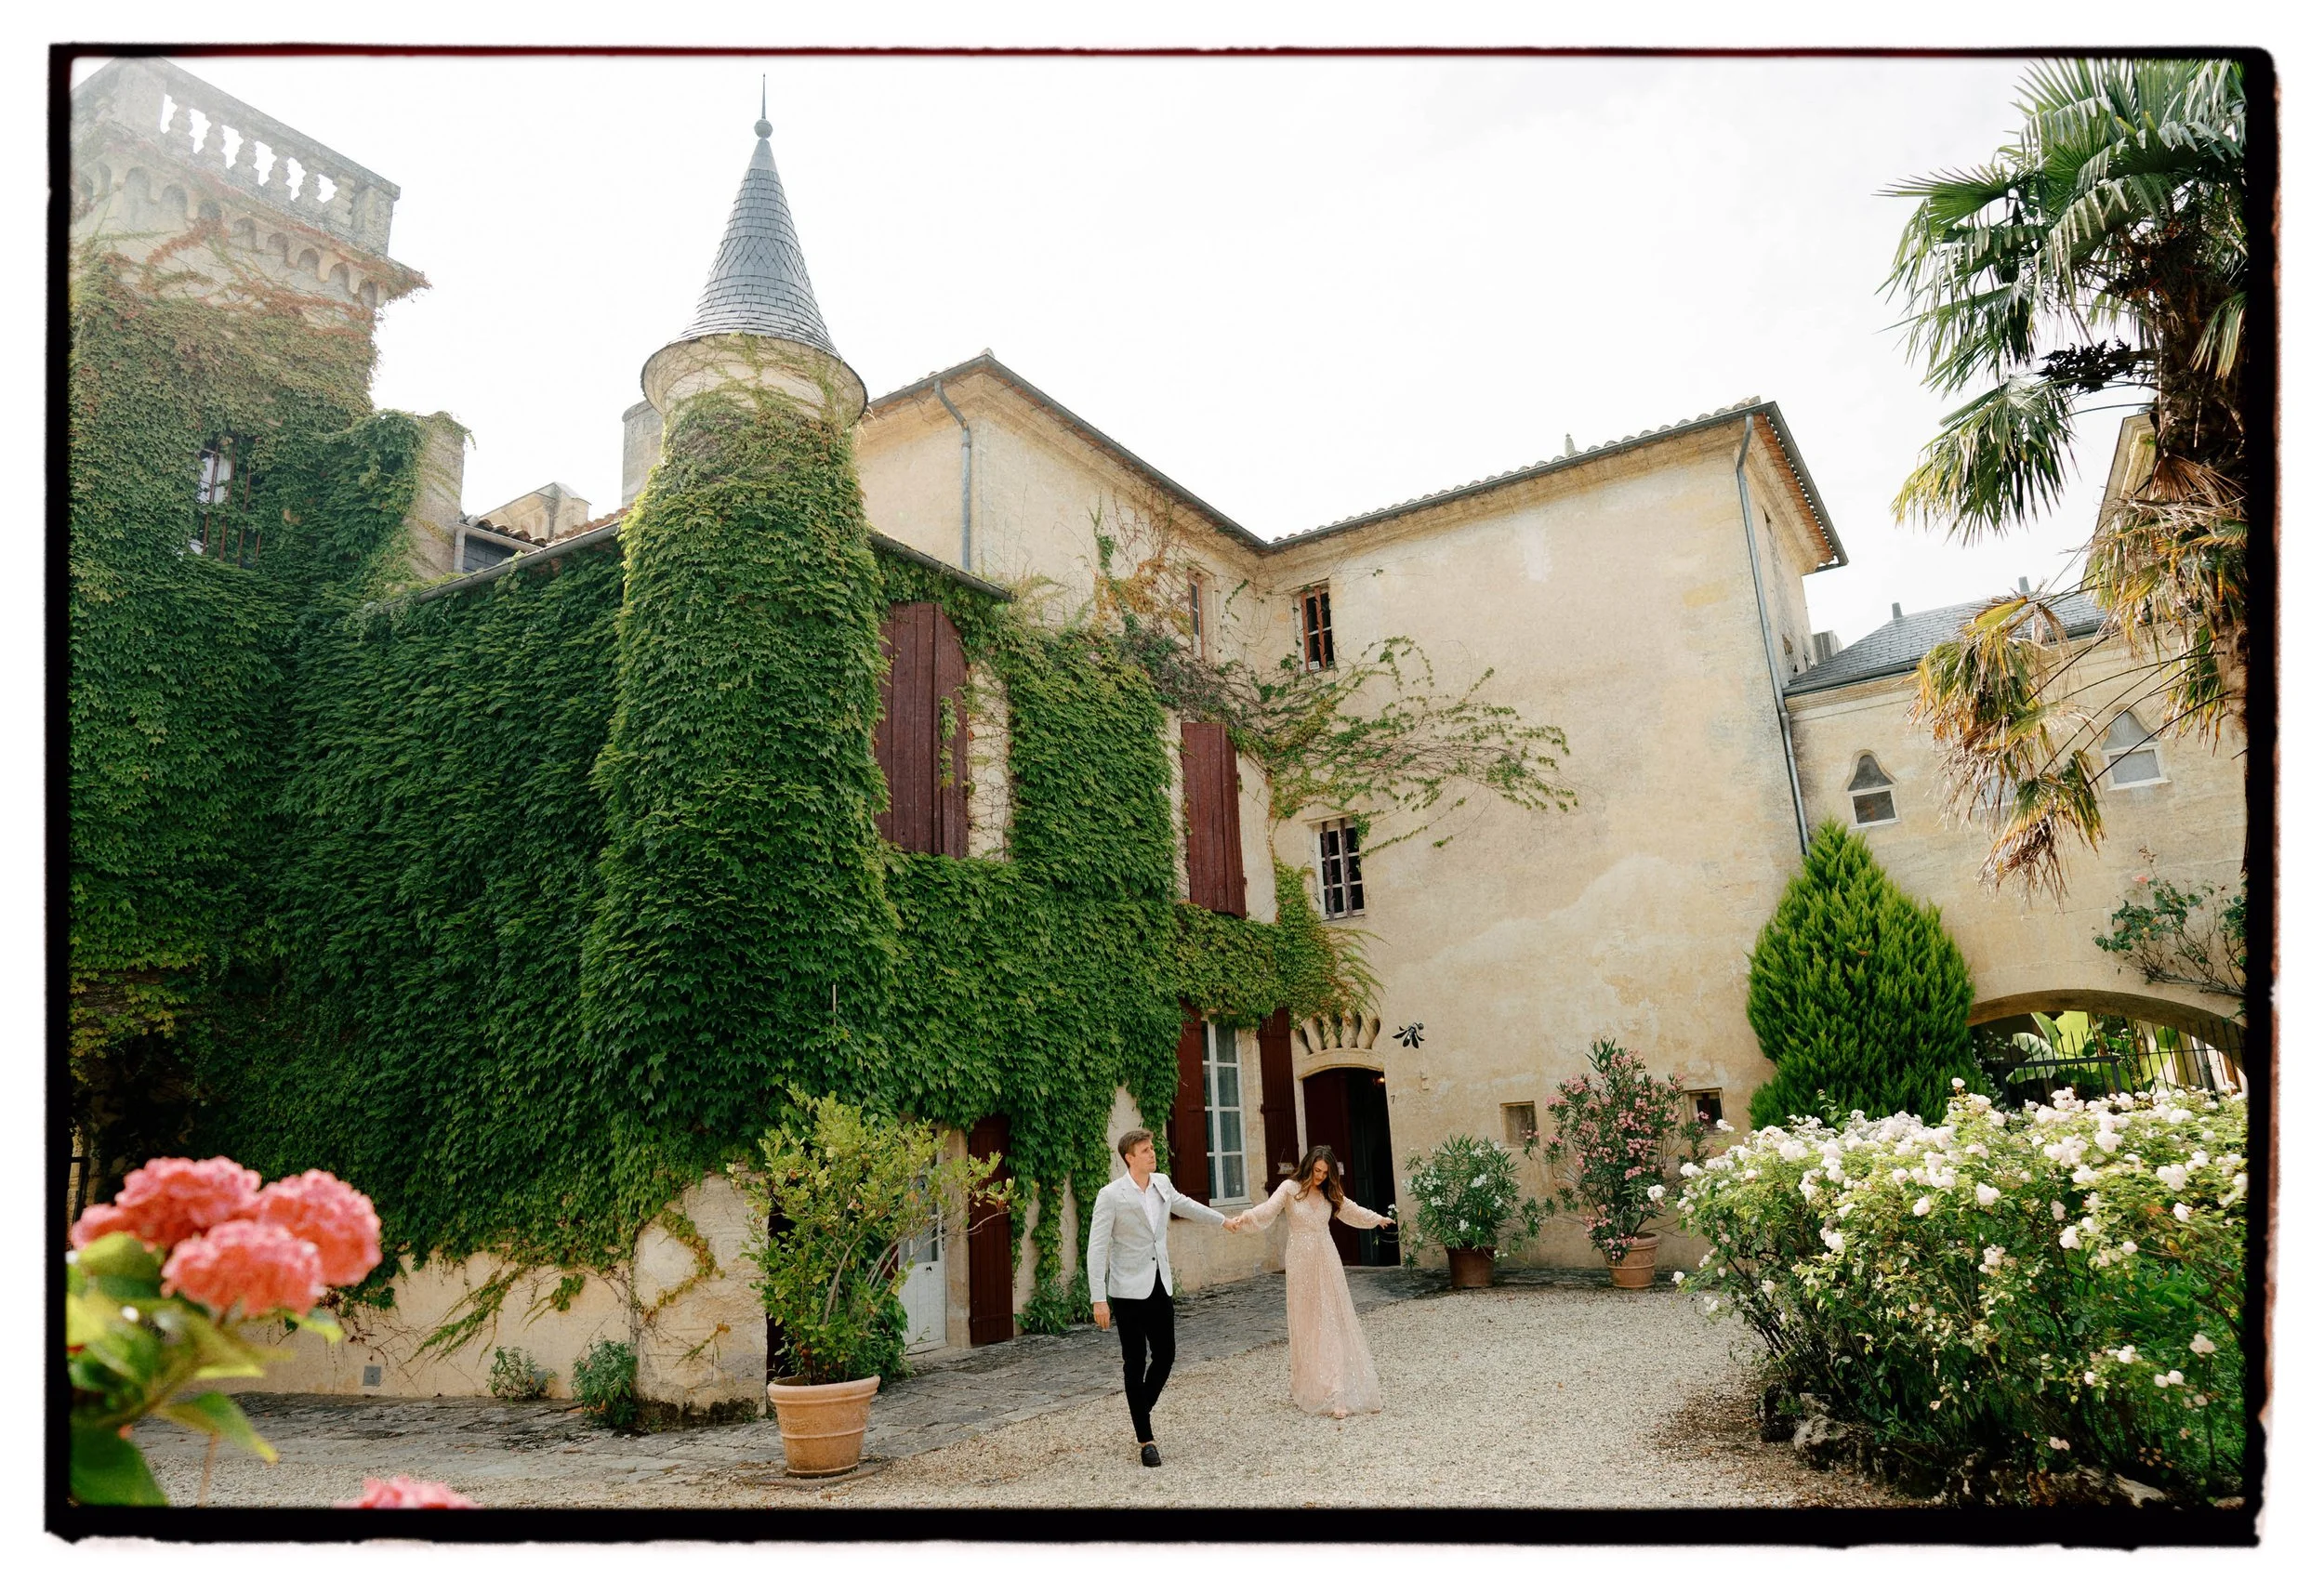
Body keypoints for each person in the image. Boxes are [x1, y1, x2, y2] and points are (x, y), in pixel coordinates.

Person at [1084, 1126, 1228, 1467]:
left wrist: (1224, 1221)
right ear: (1129, 1158)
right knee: (1135, 1361)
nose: (1152, 1153)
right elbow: (1097, 1247)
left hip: (1160, 1284)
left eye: (1152, 1148)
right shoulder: (1111, 1195)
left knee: (1165, 1355)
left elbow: (1188, 1206)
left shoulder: (1162, 1183)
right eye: (1145, 1150)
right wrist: (1098, 1298)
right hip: (1127, 1291)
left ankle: (1140, 1407)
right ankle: (1146, 1439)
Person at [1221, 1143, 1395, 1418]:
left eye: (1325, 1173)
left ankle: (1338, 1391)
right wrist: (1244, 1218)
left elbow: (1351, 1210)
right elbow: (1268, 1210)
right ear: (1308, 1166)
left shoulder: (1329, 1192)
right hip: (1300, 1262)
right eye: (1317, 1171)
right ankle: (1310, 1387)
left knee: (1332, 1321)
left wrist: (1377, 1219)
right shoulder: (1290, 1188)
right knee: (1307, 1323)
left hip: (1326, 1258)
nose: (1320, 1177)